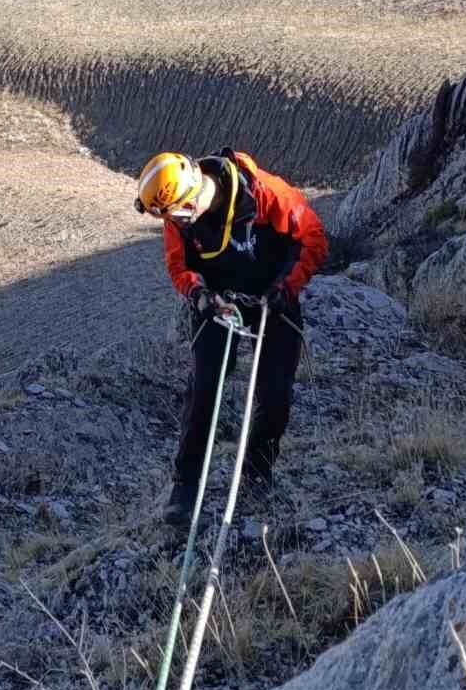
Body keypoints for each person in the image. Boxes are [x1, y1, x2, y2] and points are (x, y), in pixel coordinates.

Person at [134, 147, 328, 527]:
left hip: (273, 298)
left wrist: (286, 287)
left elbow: (312, 237)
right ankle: (186, 486)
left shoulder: (264, 195)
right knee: (205, 388)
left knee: (275, 395)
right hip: (218, 304)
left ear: (192, 197)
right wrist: (199, 293)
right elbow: (178, 264)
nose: (174, 223)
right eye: (169, 217)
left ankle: (257, 471)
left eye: (177, 214)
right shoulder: (177, 214)